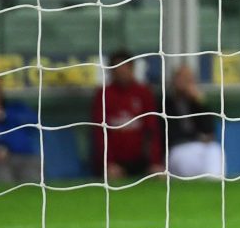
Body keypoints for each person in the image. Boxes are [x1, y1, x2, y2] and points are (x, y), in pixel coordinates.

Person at [91, 52, 163, 182]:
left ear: (132, 69)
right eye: (117, 70)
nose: (122, 73)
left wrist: (155, 162)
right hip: (115, 162)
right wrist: (108, 163)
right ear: (111, 72)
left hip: (141, 160)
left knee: (158, 177)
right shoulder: (103, 95)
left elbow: (152, 130)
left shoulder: (144, 93)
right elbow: (100, 133)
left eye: (125, 69)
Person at [164, 64, 222, 180]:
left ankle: (214, 187)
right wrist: (196, 136)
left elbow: (210, 129)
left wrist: (200, 101)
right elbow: (169, 135)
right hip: (178, 149)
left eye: (189, 79)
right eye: (182, 78)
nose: (185, 82)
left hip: (199, 148)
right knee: (188, 159)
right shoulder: (166, 104)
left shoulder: (196, 103)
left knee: (215, 150)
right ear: (174, 81)